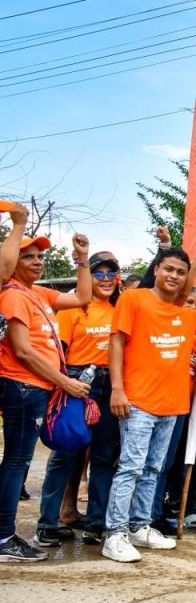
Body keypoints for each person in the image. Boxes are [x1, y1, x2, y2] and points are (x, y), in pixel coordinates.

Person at [102, 250, 196, 563]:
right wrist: (116, 389)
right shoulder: (134, 299)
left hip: (172, 405)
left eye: (181, 272)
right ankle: (114, 533)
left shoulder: (188, 316)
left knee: (154, 468)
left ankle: (140, 526)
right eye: (168, 269)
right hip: (137, 401)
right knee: (131, 466)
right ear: (156, 269)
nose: (174, 276)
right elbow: (116, 342)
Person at [0, 215, 93, 563]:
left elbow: (84, 296)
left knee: (18, 460)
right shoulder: (12, 296)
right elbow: (22, 351)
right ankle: (5, 537)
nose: (37, 261)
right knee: (16, 462)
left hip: (37, 388)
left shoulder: (37, 293)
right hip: (22, 388)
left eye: (40, 257)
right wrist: (64, 381)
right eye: (28, 256)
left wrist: (82, 259)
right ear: (12, 262)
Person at [34, 252, 122, 549]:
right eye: (99, 273)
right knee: (65, 454)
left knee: (103, 456)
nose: (107, 278)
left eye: (112, 273)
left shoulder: (121, 309)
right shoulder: (73, 308)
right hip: (76, 383)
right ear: (89, 277)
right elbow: (57, 352)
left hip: (110, 384)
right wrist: (62, 384)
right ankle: (47, 524)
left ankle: (96, 524)